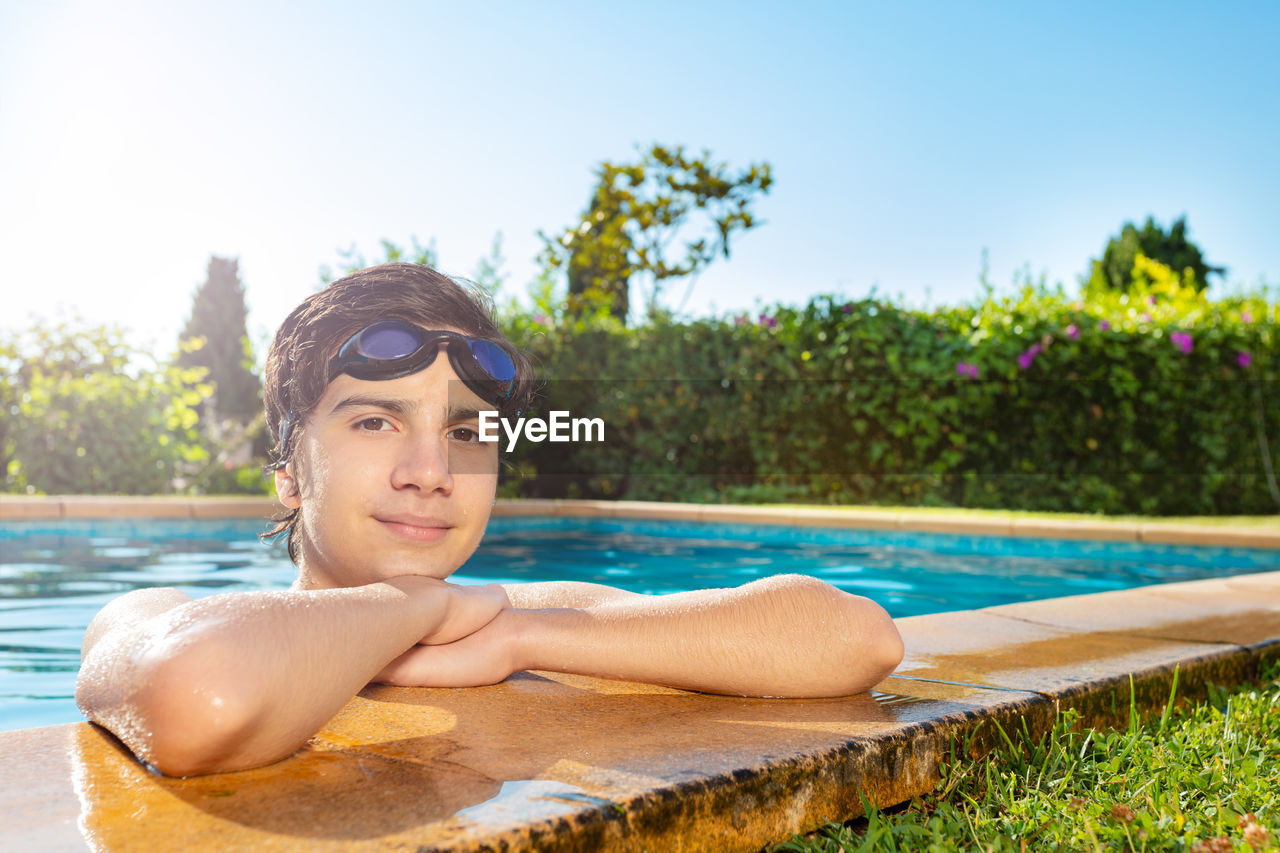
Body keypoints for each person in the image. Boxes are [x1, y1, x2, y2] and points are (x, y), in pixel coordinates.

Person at [75, 263, 904, 777]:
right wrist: (418, 607)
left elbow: (859, 637)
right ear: (289, 475)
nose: (431, 473)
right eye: (374, 421)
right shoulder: (157, 614)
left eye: (466, 432)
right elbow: (196, 693)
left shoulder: (523, 618)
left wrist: (521, 637)